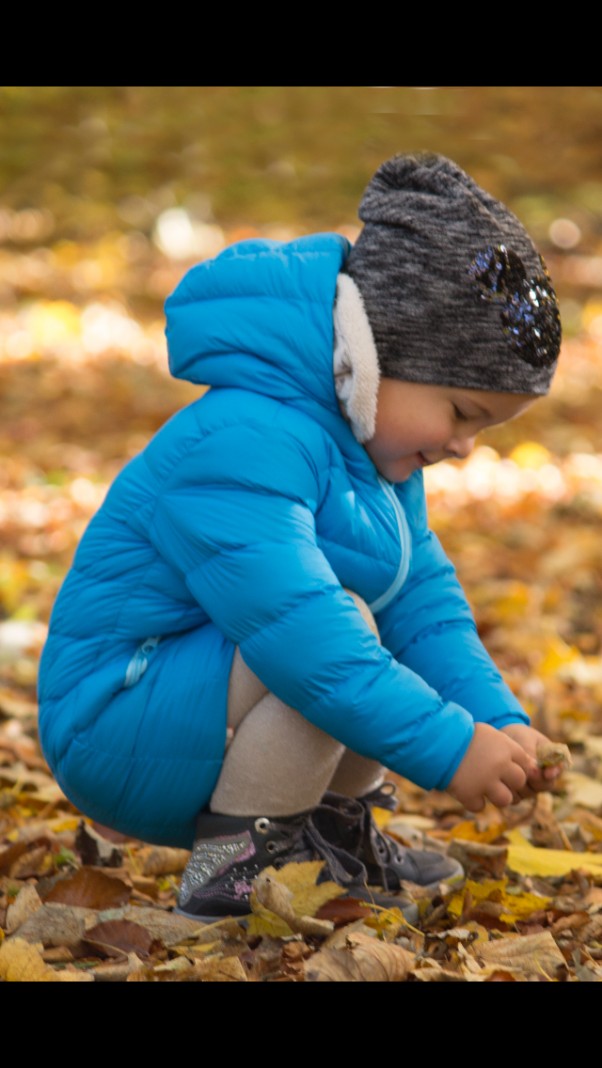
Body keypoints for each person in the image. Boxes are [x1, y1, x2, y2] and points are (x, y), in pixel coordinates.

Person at [38, 152, 564, 922]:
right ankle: (236, 873)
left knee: (370, 616)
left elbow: (423, 607)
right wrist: (449, 749)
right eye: (461, 414)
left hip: (198, 700)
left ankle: (323, 835)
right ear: (383, 353)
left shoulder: (371, 449)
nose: (463, 449)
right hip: (116, 716)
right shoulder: (248, 434)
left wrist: (498, 720)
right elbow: (302, 637)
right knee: (335, 634)